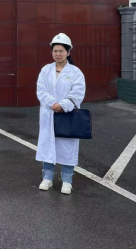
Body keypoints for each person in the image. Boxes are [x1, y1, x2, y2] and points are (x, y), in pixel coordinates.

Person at [36, 33, 86, 195]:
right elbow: (41, 90)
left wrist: (63, 106)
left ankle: (67, 180)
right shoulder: (46, 70)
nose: (58, 54)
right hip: (49, 114)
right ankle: (47, 178)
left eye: (61, 51)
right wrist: (53, 104)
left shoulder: (75, 72)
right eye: (55, 51)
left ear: (68, 52)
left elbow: (78, 93)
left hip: (67, 115)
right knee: (48, 146)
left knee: (67, 148)